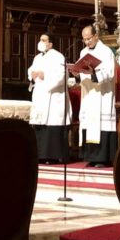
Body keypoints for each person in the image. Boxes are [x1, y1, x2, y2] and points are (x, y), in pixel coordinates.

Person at [73, 25, 117, 167]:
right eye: (84, 39)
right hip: (89, 94)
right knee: (88, 124)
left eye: (89, 38)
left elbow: (110, 73)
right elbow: (81, 72)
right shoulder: (83, 52)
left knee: (100, 124)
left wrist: (93, 73)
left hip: (101, 95)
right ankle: (90, 157)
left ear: (96, 36)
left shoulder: (106, 51)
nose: (87, 42)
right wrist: (76, 74)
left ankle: (103, 158)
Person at [27, 33, 71, 163]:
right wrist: (32, 75)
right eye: (40, 39)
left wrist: (45, 76)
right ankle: (40, 155)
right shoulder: (37, 57)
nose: (40, 42)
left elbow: (62, 76)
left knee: (52, 125)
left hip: (53, 97)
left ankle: (52, 156)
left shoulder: (58, 57)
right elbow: (31, 71)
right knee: (39, 125)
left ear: (50, 44)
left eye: (43, 40)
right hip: (40, 96)